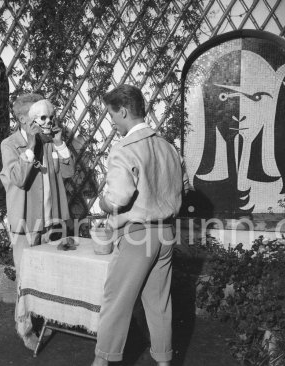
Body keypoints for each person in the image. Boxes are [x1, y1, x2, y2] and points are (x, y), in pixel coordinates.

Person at [91, 84, 188, 366]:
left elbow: (119, 197)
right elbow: (183, 187)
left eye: (112, 115)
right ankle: (164, 361)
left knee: (116, 301)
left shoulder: (125, 149)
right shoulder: (168, 146)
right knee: (159, 303)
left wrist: (104, 204)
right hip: (166, 233)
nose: (112, 122)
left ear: (122, 110)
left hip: (137, 236)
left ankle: (101, 362)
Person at [0, 93, 74, 350]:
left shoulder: (50, 142)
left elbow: (68, 172)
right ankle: (25, 327)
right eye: (39, 116)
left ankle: (45, 319)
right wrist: (31, 145)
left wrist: (61, 143)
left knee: (47, 274)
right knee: (26, 276)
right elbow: (19, 179)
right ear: (23, 118)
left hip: (52, 219)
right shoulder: (10, 145)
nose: (47, 121)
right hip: (25, 222)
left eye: (49, 116)